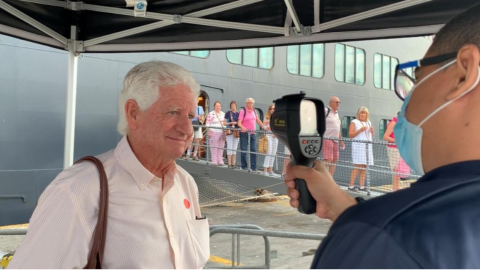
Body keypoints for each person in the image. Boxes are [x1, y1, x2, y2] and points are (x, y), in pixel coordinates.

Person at [284, 4, 480, 268]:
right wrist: (344, 207)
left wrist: (365, 225)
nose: (407, 99)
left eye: (416, 78)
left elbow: (395, 241)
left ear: (463, 73)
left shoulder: (381, 239)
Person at [8, 61, 210, 269]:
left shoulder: (185, 184)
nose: (187, 129)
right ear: (133, 113)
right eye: (173, 112)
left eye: (190, 116)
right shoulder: (77, 191)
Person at [348, 107, 374, 192]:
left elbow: (371, 136)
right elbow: (350, 135)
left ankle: (361, 186)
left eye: (364, 113)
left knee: (364, 166)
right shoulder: (354, 122)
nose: (363, 114)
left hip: (367, 147)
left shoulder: (368, 123)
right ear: (358, 114)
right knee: (358, 165)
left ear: (367, 114)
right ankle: (351, 185)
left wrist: (372, 131)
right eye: (361, 113)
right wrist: (359, 130)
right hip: (358, 147)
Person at [237, 97, 264, 172]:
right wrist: (243, 127)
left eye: (251, 103)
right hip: (244, 133)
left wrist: (263, 126)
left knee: (254, 150)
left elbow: (257, 120)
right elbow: (239, 123)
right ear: (246, 103)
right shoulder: (243, 111)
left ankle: (254, 167)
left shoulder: (254, 111)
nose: (250, 104)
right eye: (249, 102)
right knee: (244, 150)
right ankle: (244, 166)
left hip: (252, 133)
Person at [323, 96, 345, 176]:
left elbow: (337, 128)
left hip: (335, 140)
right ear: (331, 103)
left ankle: (330, 178)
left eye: (339, 102)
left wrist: (340, 140)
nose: (338, 104)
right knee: (328, 159)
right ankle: (323, 178)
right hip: (327, 138)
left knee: (334, 159)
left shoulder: (337, 114)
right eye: (336, 102)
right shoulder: (326, 110)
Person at [383, 111, 402, 191]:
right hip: (393, 148)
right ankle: (395, 189)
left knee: (398, 170)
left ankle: (397, 188)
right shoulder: (394, 123)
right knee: (396, 170)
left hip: (398, 148)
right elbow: (385, 136)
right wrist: (397, 141)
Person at [206, 101, 226, 166]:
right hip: (213, 131)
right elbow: (208, 123)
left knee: (221, 147)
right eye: (217, 106)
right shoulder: (211, 114)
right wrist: (209, 131)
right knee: (214, 147)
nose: (218, 107)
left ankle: (220, 160)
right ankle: (214, 160)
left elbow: (225, 123)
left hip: (222, 132)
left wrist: (225, 131)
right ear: (214, 106)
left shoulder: (223, 114)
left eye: (219, 106)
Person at [263, 104, 279, 177]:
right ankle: (265, 170)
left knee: (273, 152)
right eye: (271, 109)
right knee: (269, 152)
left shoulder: (278, 118)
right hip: (269, 136)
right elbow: (264, 127)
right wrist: (271, 128)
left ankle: (271, 170)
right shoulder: (266, 118)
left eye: (274, 109)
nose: (273, 110)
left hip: (275, 137)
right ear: (269, 110)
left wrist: (276, 133)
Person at [224, 101, 240, 169]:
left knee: (234, 148)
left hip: (236, 132)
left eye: (234, 105)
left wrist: (236, 122)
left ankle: (233, 163)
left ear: (236, 106)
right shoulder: (228, 113)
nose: (233, 106)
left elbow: (240, 122)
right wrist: (231, 123)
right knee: (229, 147)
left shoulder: (238, 113)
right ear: (231, 106)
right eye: (232, 105)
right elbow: (224, 123)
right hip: (229, 131)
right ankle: (229, 163)